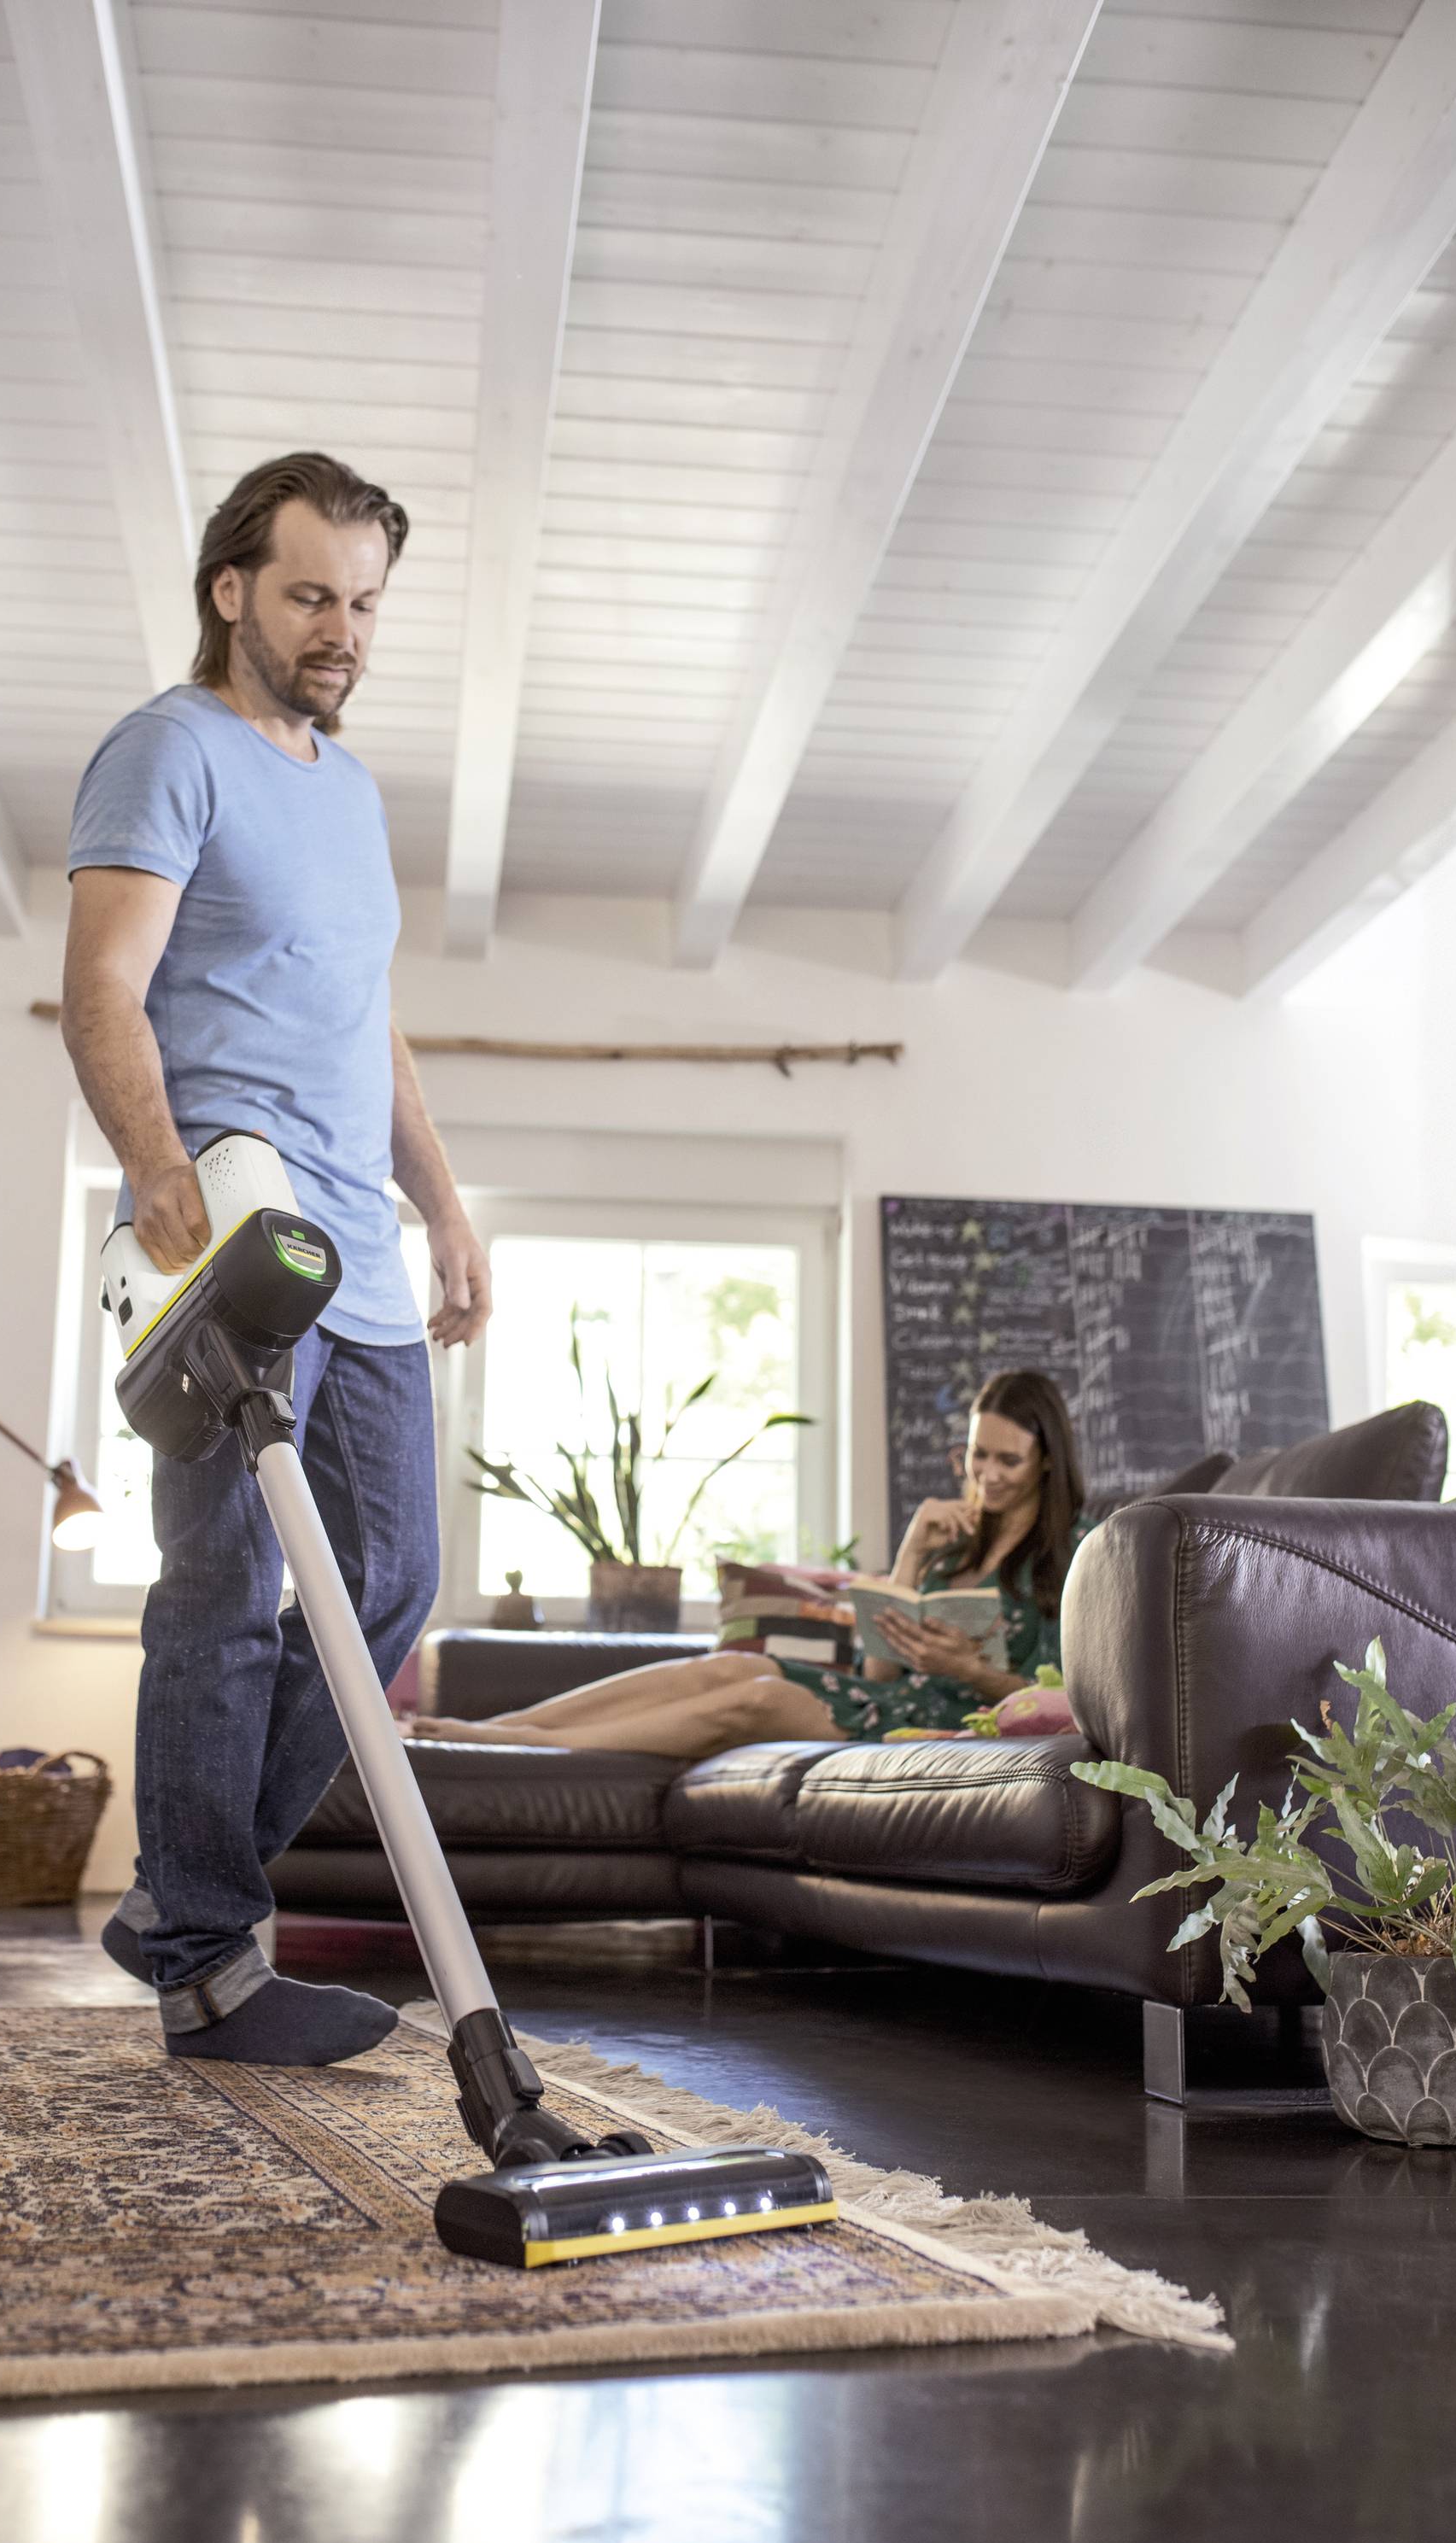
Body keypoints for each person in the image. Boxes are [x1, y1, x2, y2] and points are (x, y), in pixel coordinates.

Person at [61, 451, 490, 2067]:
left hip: (360, 1257)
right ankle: (205, 1953)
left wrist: (439, 1203)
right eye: (313, 594)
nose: (342, 630)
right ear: (231, 588)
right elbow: (104, 982)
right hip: (232, 1224)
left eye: (367, 602)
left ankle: (190, 1900)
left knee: (389, 1581)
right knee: (233, 1585)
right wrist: (154, 1167)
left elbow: (363, 1025)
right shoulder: (167, 751)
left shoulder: (349, 792)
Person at [412, 1371, 1091, 1757]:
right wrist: (913, 1549)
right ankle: (493, 1731)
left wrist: (966, 1670)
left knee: (755, 1699)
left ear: (1047, 1460)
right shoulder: (953, 1538)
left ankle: (536, 1744)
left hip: (953, 1720)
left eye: (1008, 1461)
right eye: (978, 1455)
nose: (988, 1475)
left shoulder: (1078, 1557)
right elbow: (879, 1669)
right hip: (889, 1694)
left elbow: (1075, 1705)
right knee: (732, 1666)